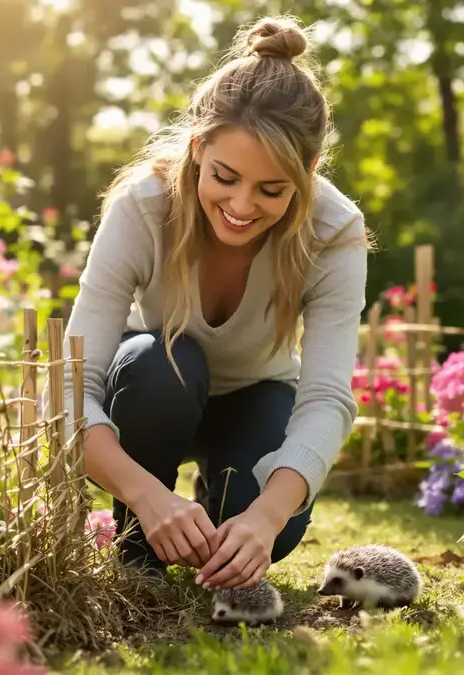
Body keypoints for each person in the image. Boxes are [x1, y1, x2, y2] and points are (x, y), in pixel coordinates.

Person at [60, 15, 372, 592]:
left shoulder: (334, 231)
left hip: (257, 394)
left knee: (264, 528)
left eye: (272, 190)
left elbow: (327, 396)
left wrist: (265, 516)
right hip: (153, 391)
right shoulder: (143, 207)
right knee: (160, 364)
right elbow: (69, 385)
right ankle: (140, 540)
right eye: (224, 176)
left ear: (307, 172)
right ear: (198, 147)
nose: (241, 205)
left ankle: (222, 505)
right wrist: (145, 493)